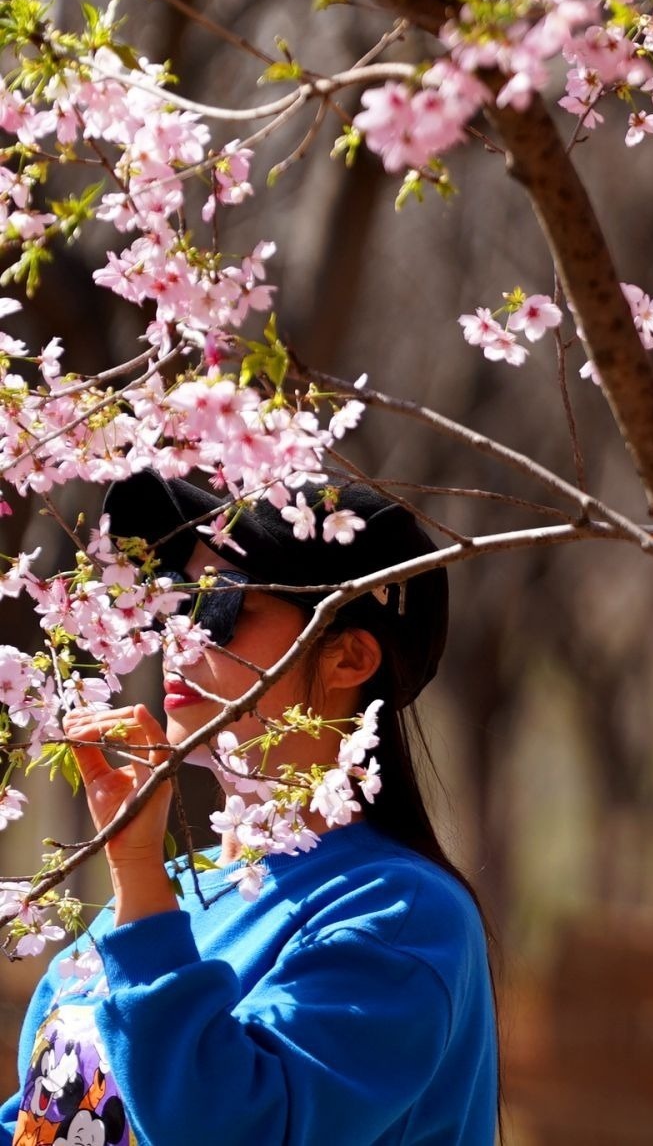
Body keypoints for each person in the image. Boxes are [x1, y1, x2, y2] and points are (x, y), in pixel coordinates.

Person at [4, 475, 500, 1146]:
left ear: (348, 656)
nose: (176, 636)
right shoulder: (166, 894)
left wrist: (138, 871)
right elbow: (44, 1125)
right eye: (175, 600)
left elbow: (227, 1129)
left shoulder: (399, 915)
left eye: (219, 606)